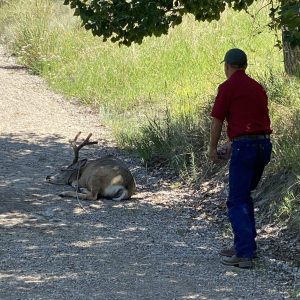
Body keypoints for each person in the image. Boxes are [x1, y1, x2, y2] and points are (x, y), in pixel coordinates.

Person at [208, 48, 272, 268]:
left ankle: (244, 253)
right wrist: (233, 143)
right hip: (263, 146)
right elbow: (254, 125)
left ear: (227, 66)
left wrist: (212, 148)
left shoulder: (227, 87)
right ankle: (244, 245)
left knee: (236, 199)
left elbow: (217, 120)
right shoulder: (257, 88)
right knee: (245, 195)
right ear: (244, 66)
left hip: (244, 148)